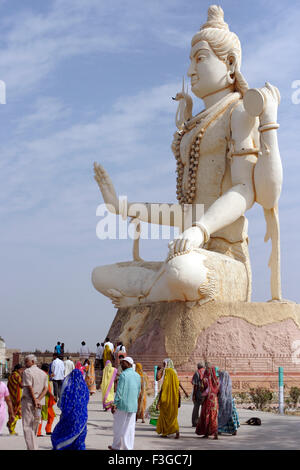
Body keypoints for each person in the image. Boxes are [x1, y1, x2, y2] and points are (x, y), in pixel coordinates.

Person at [51, 369, 89, 450]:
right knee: (79, 435)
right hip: (82, 415)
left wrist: (65, 409)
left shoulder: (68, 387)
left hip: (69, 415)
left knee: (65, 432)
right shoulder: (84, 387)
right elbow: (87, 400)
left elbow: (62, 401)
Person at [108, 357, 141, 450]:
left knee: (118, 427)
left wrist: (115, 404)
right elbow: (138, 391)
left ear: (129, 364)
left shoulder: (123, 375)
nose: (121, 365)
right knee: (129, 428)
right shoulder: (137, 376)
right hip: (133, 406)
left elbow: (119, 391)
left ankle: (116, 446)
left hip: (122, 405)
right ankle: (128, 447)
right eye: (121, 363)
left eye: (123, 363)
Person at [21, 354, 48, 450]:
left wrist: (34, 399)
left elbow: (29, 387)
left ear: (32, 361)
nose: (25, 363)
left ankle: (33, 448)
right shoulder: (43, 373)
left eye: (26, 361)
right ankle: (33, 447)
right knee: (34, 427)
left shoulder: (27, 372)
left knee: (28, 427)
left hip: (29, 402)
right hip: (39, 403)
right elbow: (45, 389)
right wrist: (38, 399)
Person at [156, 362, 180, 439]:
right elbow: (177, 387)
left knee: (164, 415)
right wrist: (179, 400)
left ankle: (165, 432)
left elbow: (161, 385)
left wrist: (158, 370)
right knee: (173, 416)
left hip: (165, 399)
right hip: (173, 400)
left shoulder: (165, 372)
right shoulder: (174, 373)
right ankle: (176, 431)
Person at [196, 365, 220, 439]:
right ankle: (215, 432)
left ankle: (206, 433)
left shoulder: (205, 380)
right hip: (214, 400)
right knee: (213, 416)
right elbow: (218, 391)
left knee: (206, 415)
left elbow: (203, 389)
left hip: (207, 400)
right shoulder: (217, 380)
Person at [218, 370, 240, 435]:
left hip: (223, 401)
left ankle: (219, 429)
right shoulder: (229, 382)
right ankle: (234, 429)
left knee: (221, 415)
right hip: (230, 401)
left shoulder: (221, 382)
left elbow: (221, 393)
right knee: (231, 415)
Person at [37, 363, 56, 437]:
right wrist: (52, 395)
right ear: (48, 369)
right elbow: (46, 388)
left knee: (46, 415)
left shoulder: (42, 375)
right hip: (45, 399)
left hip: (42, 398)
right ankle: (42, 431)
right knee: (44, 415)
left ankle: (46, 430)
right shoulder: (45, 376)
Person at [7, 364, 23, 435]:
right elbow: (21, 385)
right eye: (21, 370)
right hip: (17, 396)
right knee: (17, 412)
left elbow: (8, 386)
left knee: (12, 412)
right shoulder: (17, 376)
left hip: (11, 396)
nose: (21, 371)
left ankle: (11, 430)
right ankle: (10, 424)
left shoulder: (10, 376)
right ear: (17, 369)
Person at [191, 361, 205, 427]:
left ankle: (195, 422)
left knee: (196, 408)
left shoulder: (197, 373)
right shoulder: (205, 372)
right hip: (205, 393)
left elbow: (195, 385)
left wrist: (194, 394)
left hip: (198, 392)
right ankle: (203, 422)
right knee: (204, 408)